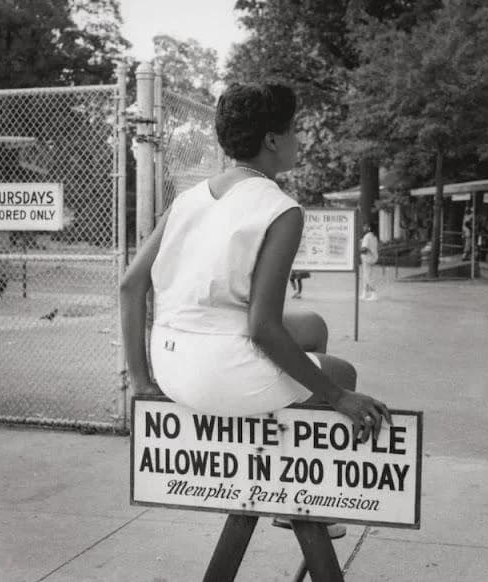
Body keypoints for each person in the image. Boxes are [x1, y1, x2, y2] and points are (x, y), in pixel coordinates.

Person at [120, 81, 391, 442]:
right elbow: (263, 328)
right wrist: (338, 396)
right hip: (218, 372)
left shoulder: (187, 199)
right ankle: (274, 449)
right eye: (293, 129)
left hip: (169, 363)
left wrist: (142, 383)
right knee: (342, 374)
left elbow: (130, 285)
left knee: (313, 327)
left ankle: (274, 414)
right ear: (272, 140)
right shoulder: (281, 209)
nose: (299, 139)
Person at [360, 223, 379, 300]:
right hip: (373, 257)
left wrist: (359, 250)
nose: (363, 227)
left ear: (369, 228)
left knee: (367, 276)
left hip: (367, 258)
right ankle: (364, 293)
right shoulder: (374, 236)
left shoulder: (367, 236)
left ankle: (374, 294)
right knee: (367, 275)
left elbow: (364, 248)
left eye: (365, 226)